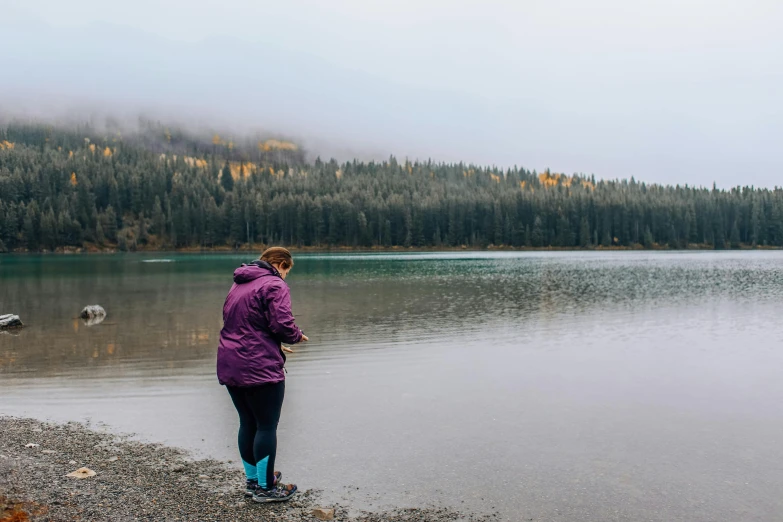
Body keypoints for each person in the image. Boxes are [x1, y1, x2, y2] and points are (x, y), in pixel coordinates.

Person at [217, 247, 309, 503]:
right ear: (280, 264)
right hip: (260, 367)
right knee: (267, 426)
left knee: (248, 423)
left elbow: (243, 324)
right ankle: (266, 489)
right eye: (286, 271)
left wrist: (274, 344)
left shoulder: (239, 284)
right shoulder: (274, 284)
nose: (285, 277)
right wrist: (296, 336)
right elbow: (282, 324)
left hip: (231, 362)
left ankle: (253, 481)